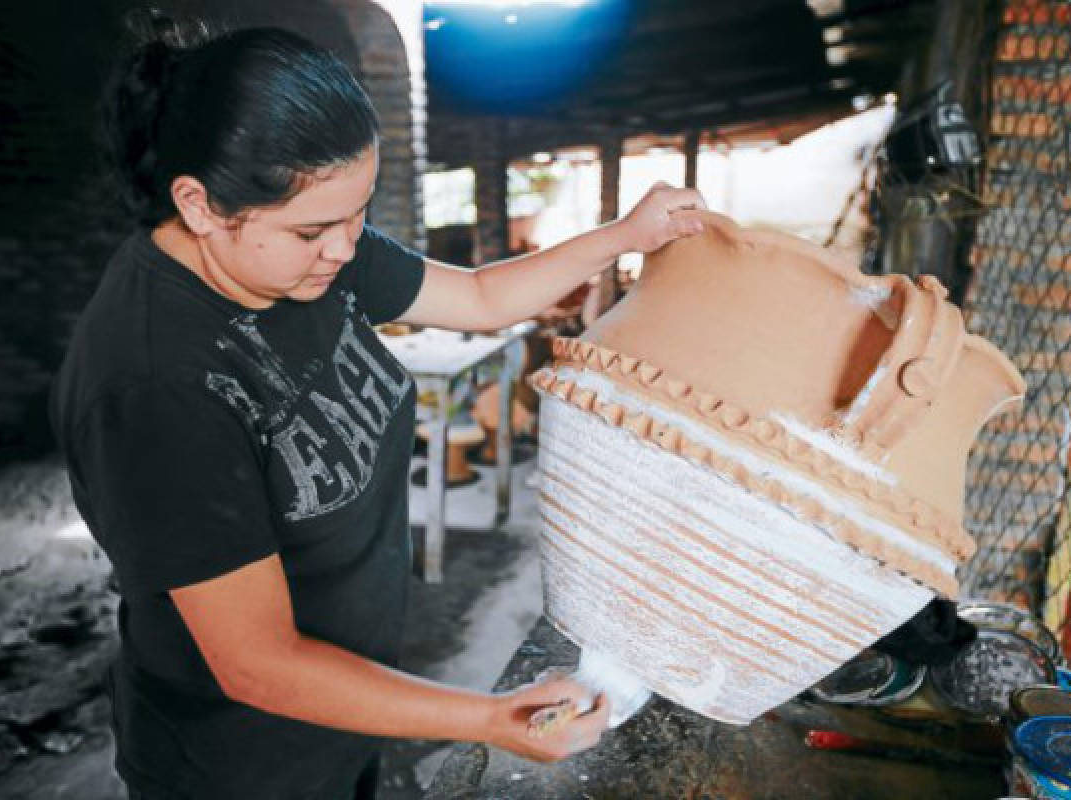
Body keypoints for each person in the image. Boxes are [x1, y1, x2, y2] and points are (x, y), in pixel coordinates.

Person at [49, 13, 706, 800]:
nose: (345, 246)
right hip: (239, 765)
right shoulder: (154, 385)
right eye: (315, 229)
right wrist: (488, 718)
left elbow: (482, 295)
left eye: (357, 214)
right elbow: (259, 662)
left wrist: (625, 234)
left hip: (348, 713)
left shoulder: (307, 258)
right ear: (197, 205)